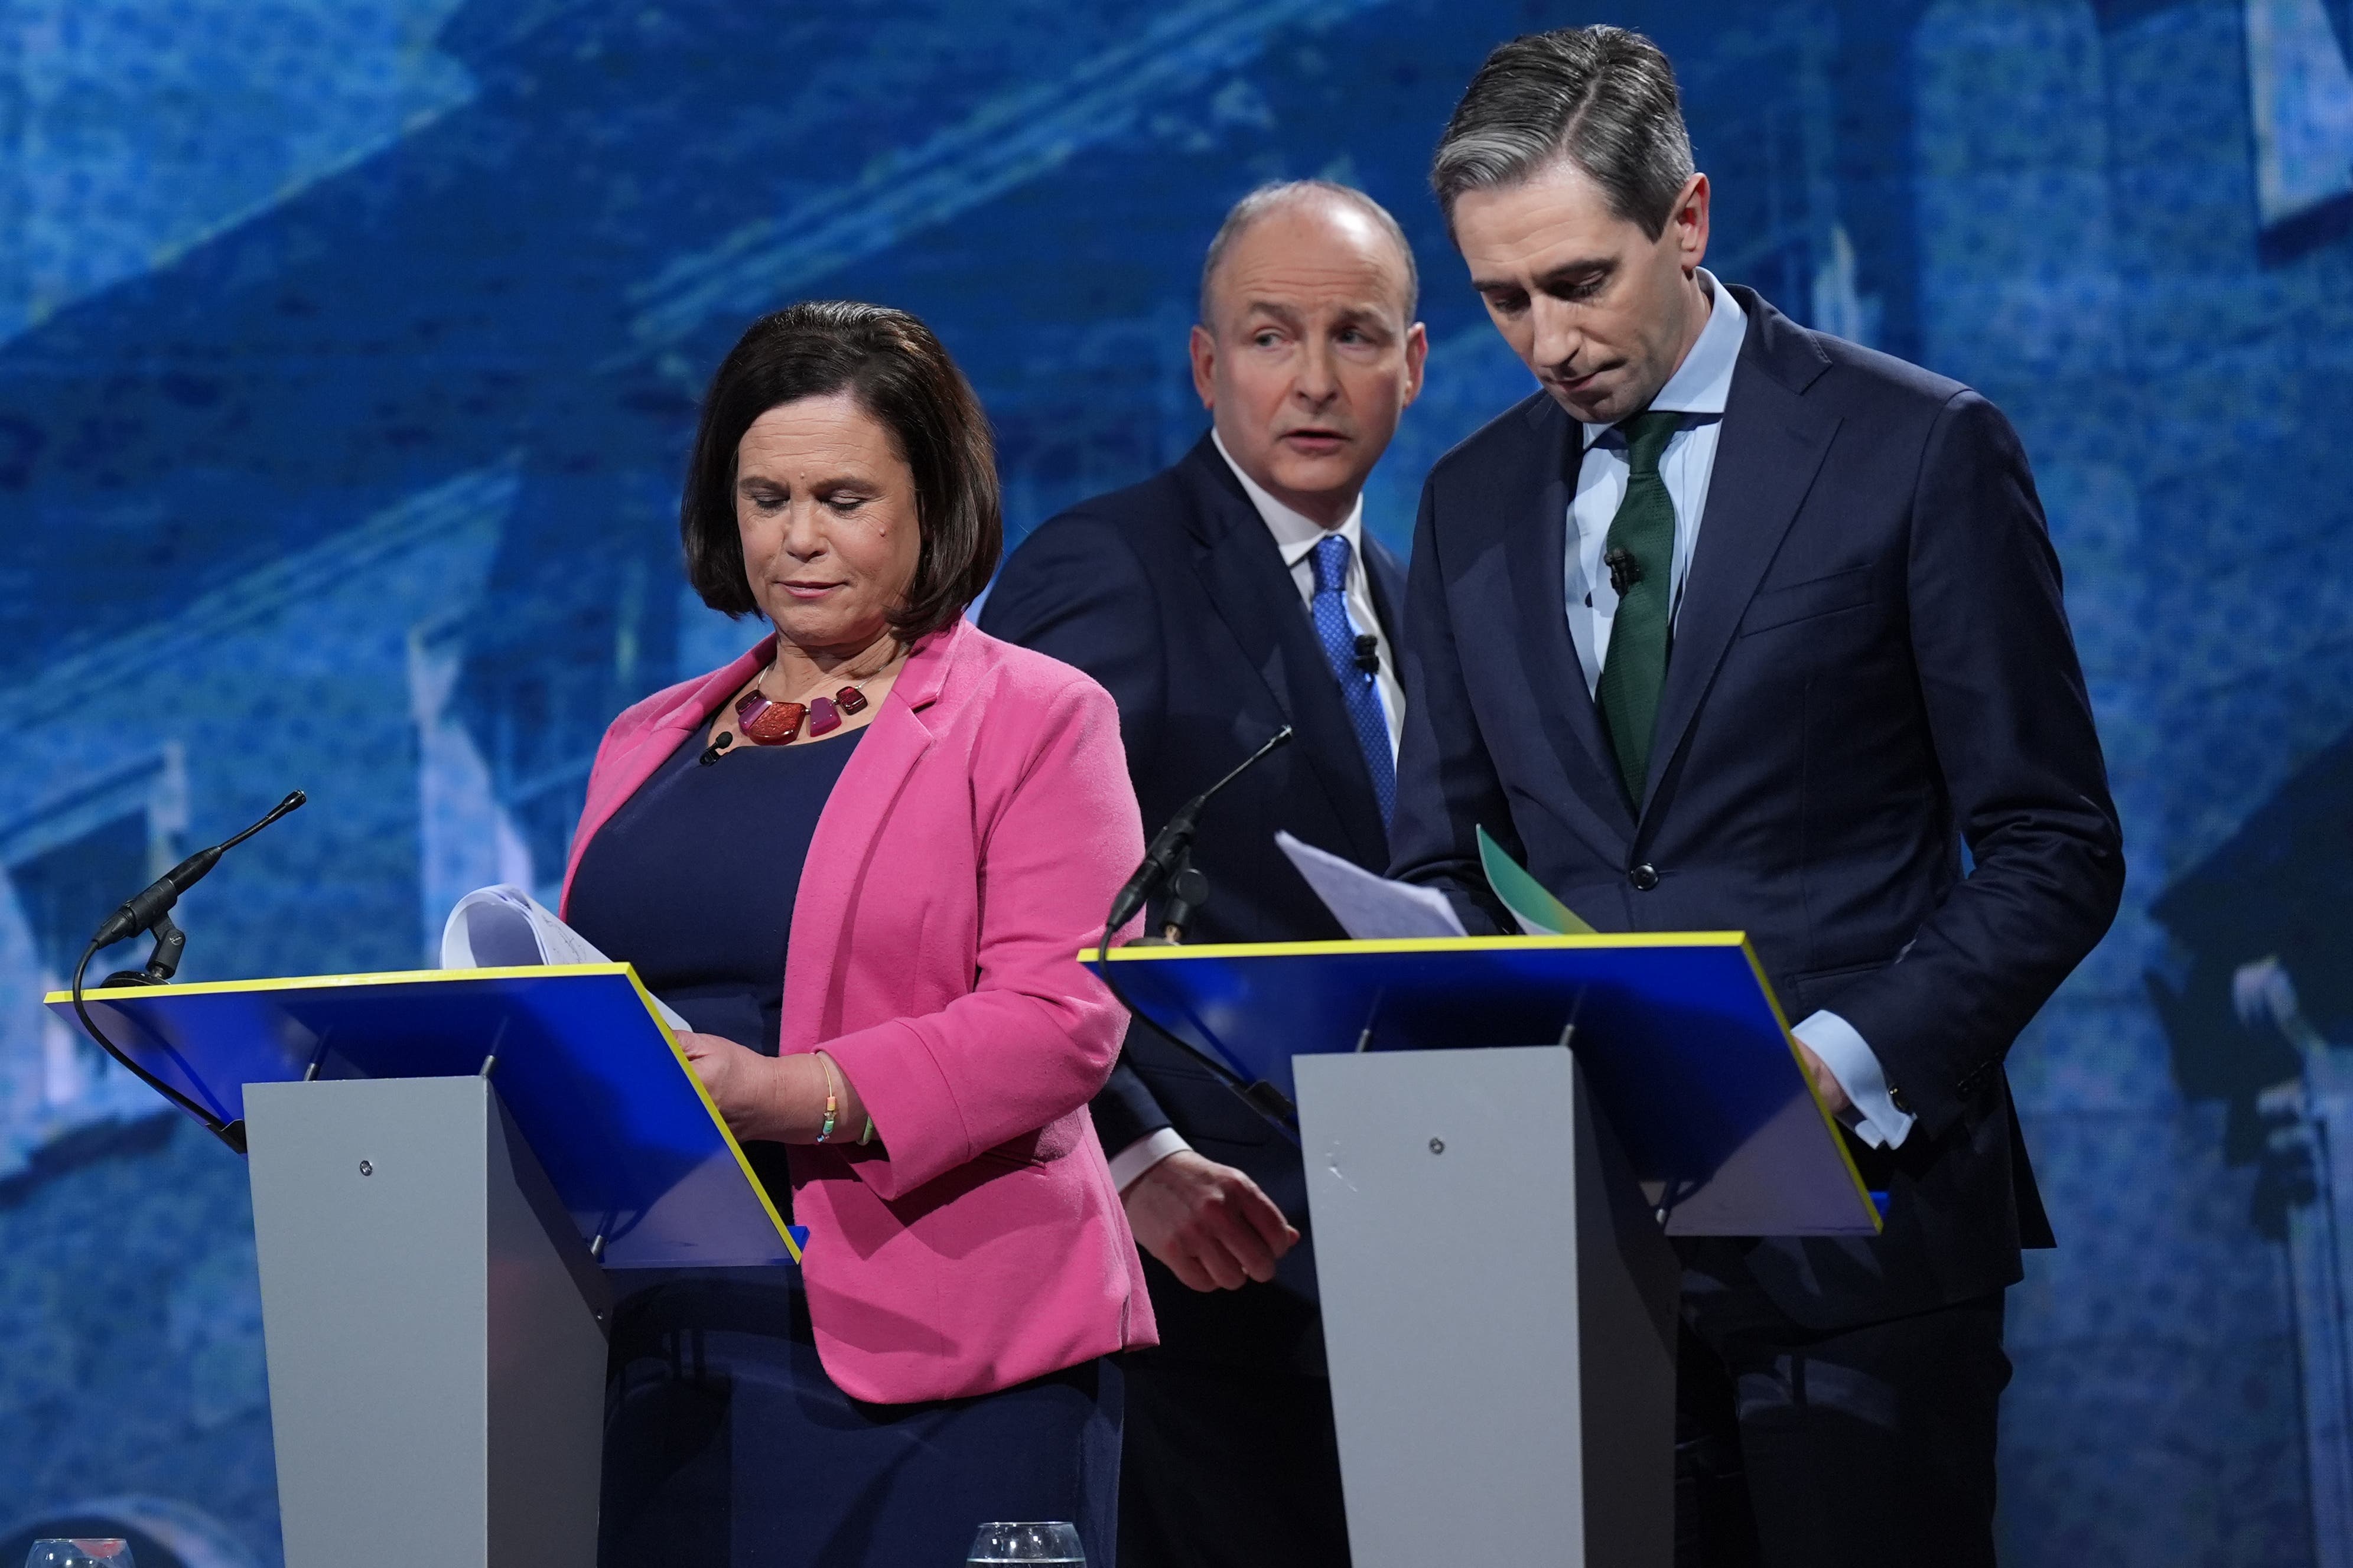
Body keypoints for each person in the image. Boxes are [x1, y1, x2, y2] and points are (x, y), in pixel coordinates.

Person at [1389, 28, 2124, 1568]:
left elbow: (2056, 848)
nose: (1545, 340)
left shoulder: (1918, 448)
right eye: (1501, 299)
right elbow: (1446, 860)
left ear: (1690, 219)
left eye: (1579, 281)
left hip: (1861, 1244)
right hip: (1579, 1251)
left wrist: (1842, 1064)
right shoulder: (1464, 498)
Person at [560, 299, 1156, 1567]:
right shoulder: (642, 738)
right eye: (765, 497)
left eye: (843, 497)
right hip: (664, 1344)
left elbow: (1066, 1019)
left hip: (943, 1357)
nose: (797, 538)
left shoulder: (1040, 717)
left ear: (934, 506)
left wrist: (785, 1093)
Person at [980, 180, 1426, 1567]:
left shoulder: (1419, 602)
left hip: (1415, 1264)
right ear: (1205, 363)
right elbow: (997, 888)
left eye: (1355, 336)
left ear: (1413, 366)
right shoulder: (1108, 567)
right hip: (1199, 1279)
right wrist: (1131, 1150)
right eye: (1268, 335)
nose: (1312, 379)